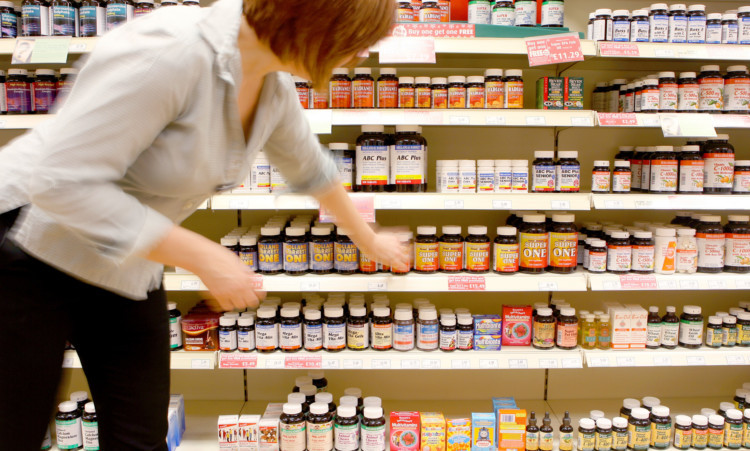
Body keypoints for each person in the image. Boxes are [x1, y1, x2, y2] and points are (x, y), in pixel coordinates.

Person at [0, 0, 402, 449]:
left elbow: (312, 168)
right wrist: (207, 257)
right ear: (313, 19)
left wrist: (369, 239)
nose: (363, 53)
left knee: (140, 437)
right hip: (27, 243)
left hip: (123, 259)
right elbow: (61, 183)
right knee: (14, 431)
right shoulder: (173, 49)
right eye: (360, 36)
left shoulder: (270, 82)